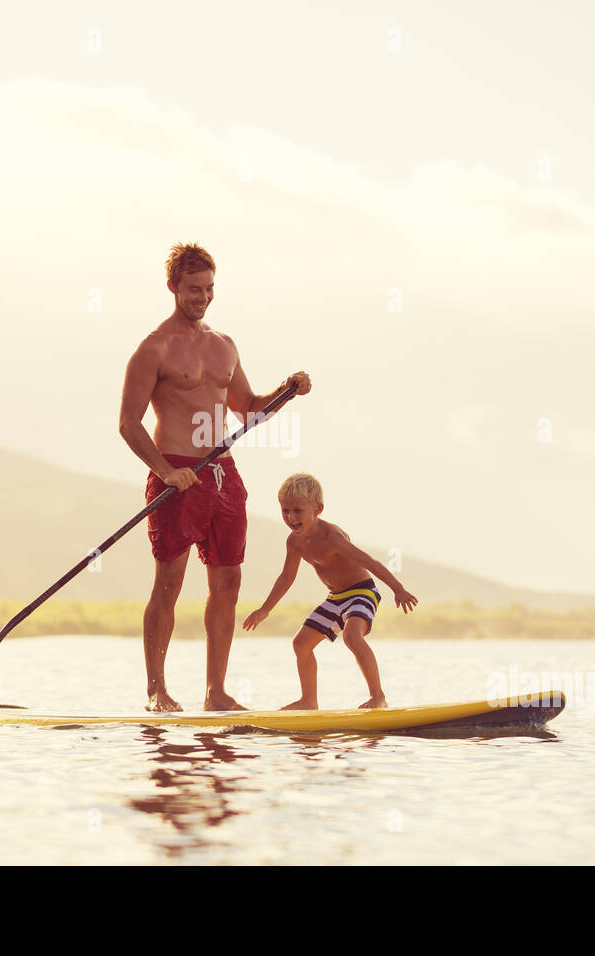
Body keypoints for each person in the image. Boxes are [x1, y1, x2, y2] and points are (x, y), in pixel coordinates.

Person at [119, 241, 311, 712]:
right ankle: (156, 690)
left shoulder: (224, 345)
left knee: (227, 583)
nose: (202, 297)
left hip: (222, 473)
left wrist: (286, 391)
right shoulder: (154, 347)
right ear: (172, 288)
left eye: (208, 288)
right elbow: (128, 422)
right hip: (177, 474)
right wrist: (164, 471)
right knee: (170, 583)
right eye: (192, 289)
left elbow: (248, 407)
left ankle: (216, 692)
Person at [243, 473, 418, 709]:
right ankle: (309, 701)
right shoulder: (294, 542)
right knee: (300, 644)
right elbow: (287, 577)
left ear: (318, 509)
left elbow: (369, 562)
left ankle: (378, 697)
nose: (290, 517)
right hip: (336, 598)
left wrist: (398, 589)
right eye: (285, 510)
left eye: (297, 510)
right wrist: (265, 609)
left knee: (352, 636)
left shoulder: (332, 537)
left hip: (361, 593)